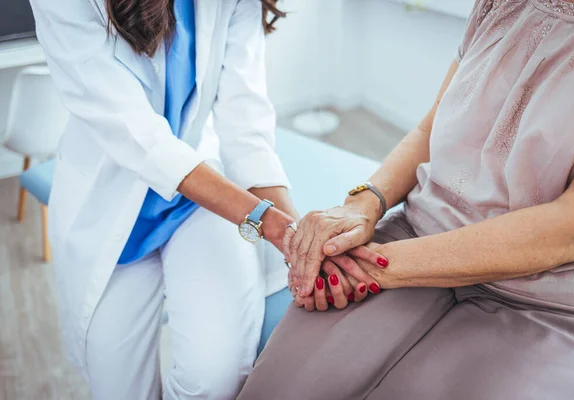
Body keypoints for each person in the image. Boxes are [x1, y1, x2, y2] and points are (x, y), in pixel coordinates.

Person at [240, 0, 574, 398]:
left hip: (550, 297)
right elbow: (430, 129)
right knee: (279, 388)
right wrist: (364, 204)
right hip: (414, 233)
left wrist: (370, 266)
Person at [30, 0, 382, 398]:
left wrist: (303, 241)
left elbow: (244, 123)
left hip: (202, 201)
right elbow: (136, 136)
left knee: (217, 379)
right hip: (110, 206)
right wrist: (274, 226)